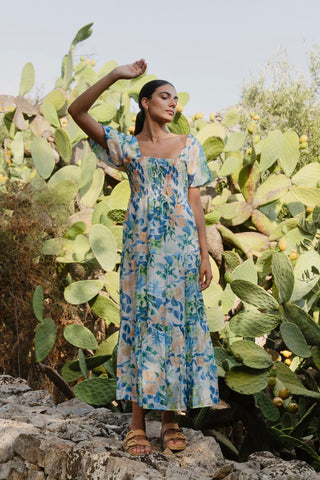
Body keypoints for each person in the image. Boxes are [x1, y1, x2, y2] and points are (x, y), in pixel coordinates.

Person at [68, 59, 219, 456]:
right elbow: (76, 111)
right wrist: (116, 74)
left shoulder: (188, 146)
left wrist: (204, 253)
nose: (173, 104)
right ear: (145, 102)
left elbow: (195, 201)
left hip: (181, 252)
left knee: (175, 329)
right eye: (165, 96)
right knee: (139, 326)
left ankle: (170, 419)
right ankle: (136, 422)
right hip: (142, 253)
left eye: (176, 99)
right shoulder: (127, 146)